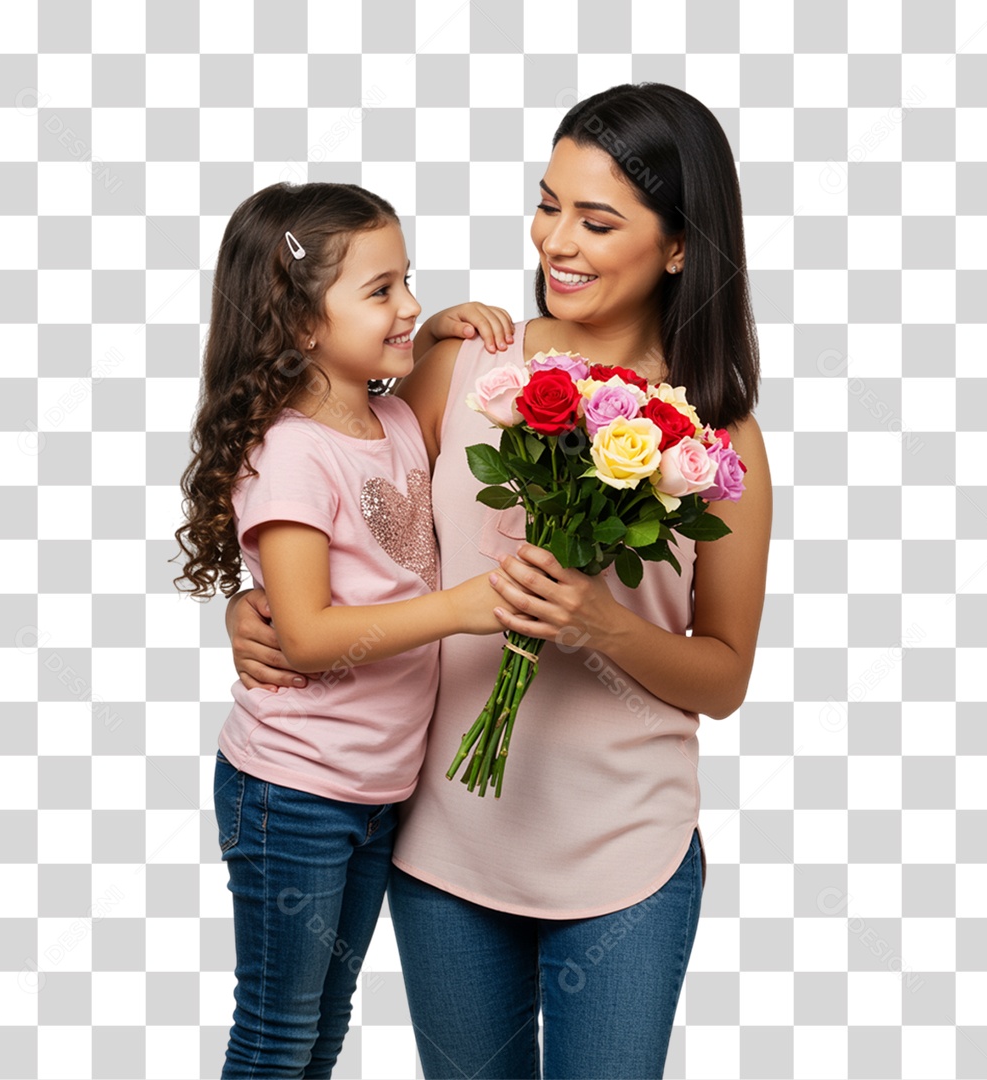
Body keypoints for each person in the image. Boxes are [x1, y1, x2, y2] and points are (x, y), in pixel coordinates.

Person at [225, 83, 772, 1079]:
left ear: (682, 245)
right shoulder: (471, 369)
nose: (555, 239)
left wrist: (601, 626)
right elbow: (347, 510)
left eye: (596, 220)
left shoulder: (718, 438)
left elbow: (724, 677)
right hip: (446, 845)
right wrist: (254, 603)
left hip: (628, 857)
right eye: (548, 202)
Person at [171, 181, 518, 1078]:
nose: (406, 304)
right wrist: (463, 608)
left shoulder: (393, 417)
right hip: (295, 789)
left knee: (326, 1024)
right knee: (278, 1032)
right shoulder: (291, 453)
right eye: (381, 291)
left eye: (410, 281)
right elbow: (311, 636)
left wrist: (428, 328)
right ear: (298, 322)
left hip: (375, 789)